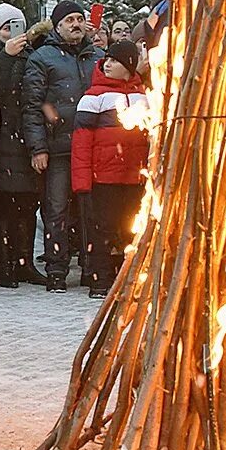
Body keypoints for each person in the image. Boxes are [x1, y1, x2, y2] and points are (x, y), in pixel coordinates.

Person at [24, 1, 105, 291]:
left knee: (91, 210)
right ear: (57, 26)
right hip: (57, 145)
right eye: (69, 20)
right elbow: (33, 105)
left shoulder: (98, 57)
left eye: (79, 19)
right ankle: (56, 269)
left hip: (91, 148)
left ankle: (90, 267)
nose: (75, 24)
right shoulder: (42, 57)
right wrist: (38, 148)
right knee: (55, 209)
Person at [73, 41, 150, 300]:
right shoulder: (93, 97)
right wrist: (82, 182)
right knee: (102, 230)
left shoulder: (143, 96)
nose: (107, 64)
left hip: (135, 177)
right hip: (104, 178)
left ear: (129, 66)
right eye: (107, 59)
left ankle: (129, 280)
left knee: (131, 230)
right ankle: (100, 281)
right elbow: (81, 142)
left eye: (115, 61)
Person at [0, 4, 44, 289]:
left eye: (16, 26)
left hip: (26, 137)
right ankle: (4, 265)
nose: (11, 33)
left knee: (27, 206)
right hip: (1, 138)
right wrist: (7, 57)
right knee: (3, 208)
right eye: (6, 28)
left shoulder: (32, 56)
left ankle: (25, 262)